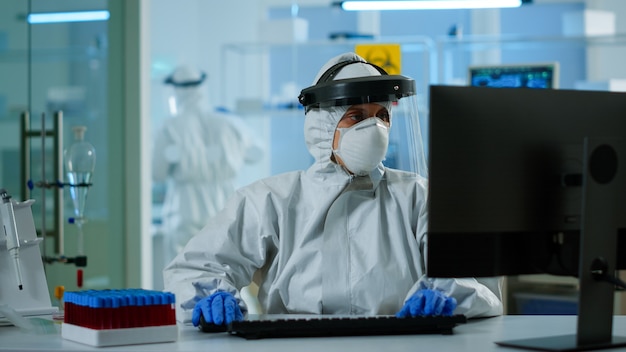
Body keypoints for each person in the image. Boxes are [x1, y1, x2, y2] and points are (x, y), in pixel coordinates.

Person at [163, 53, 502, 327]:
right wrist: (210, 296)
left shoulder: (418, 197)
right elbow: (196, 269)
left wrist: (450, 294)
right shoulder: (270, 200)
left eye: (382, 115)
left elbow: (479, 279)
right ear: (324, 126)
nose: (376, 129)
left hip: (402, 343)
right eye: (356, 116)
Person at [152, 65, 263, 264]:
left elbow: (157, 173)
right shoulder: (229, 122)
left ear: (176, 91)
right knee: (226, 270)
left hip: (185, 209)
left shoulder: (169, 127)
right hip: (225, 205)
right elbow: (257, 153)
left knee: (184, 273)